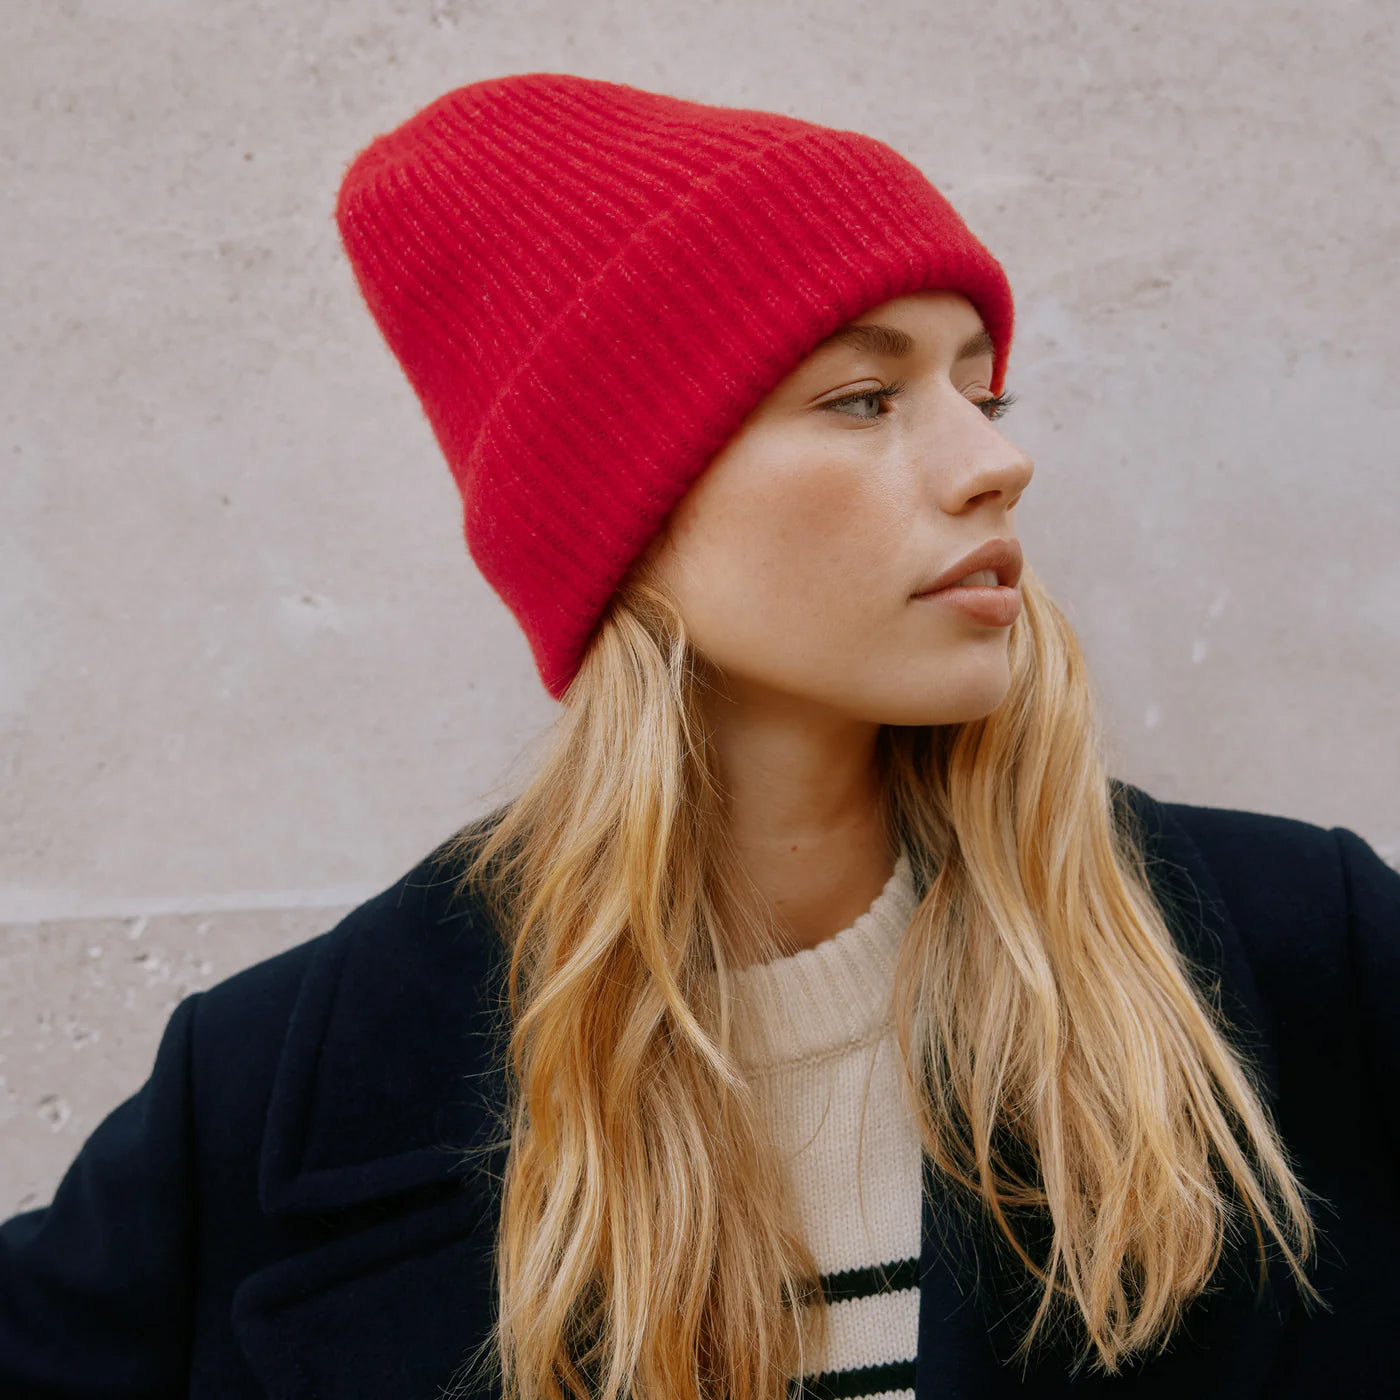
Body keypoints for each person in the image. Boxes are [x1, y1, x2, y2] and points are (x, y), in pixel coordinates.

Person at [1, 71, 1396, 1400]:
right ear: (624, 516)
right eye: (864, 397)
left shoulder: (1298, 951)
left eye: (981, 392)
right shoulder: (263, 1096)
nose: (993, 459)